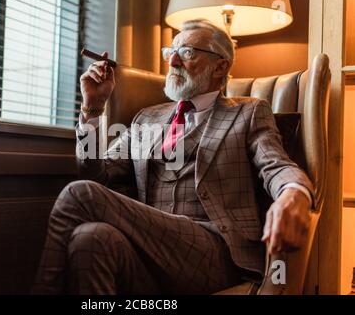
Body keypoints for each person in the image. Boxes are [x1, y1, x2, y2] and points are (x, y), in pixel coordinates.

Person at [32, 19, 313, 295]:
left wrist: (294, 194)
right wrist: (92, 111)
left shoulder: (248, 113)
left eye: (187, 53)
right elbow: (95, 176)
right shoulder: (146, 118)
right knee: (89, 239)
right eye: (171, 52)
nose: (173, 62)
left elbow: (276, 166)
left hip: (216, 253)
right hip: (151, 253)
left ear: (221, 66)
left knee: (81, 195)